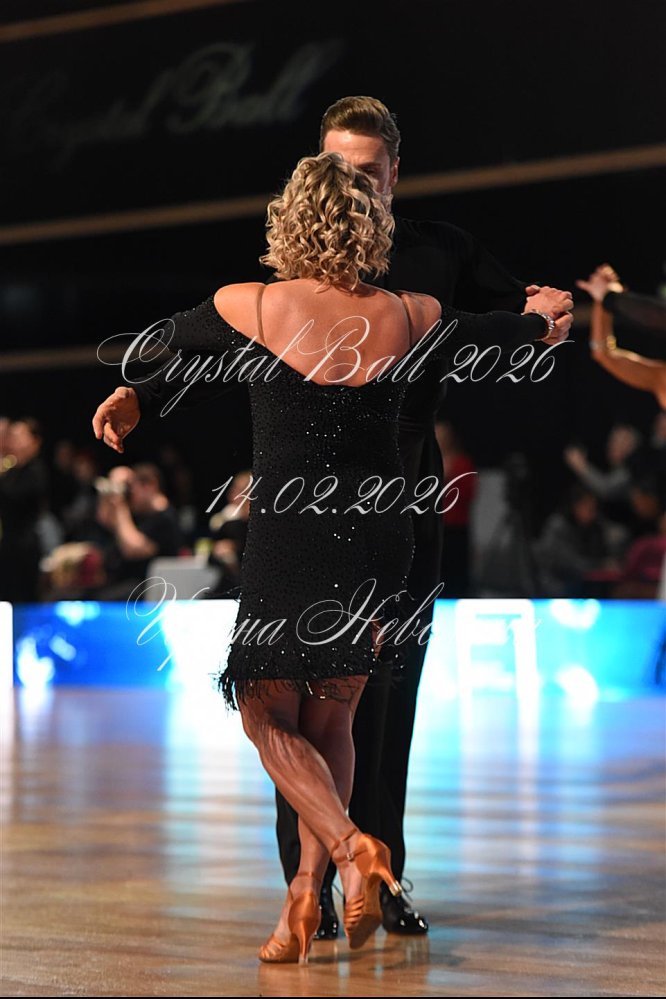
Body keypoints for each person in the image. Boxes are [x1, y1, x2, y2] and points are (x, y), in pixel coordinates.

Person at [91, 96, 574, 938]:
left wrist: (548, 309)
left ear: (394, 173)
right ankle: (309, 889)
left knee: (327, 705)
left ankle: (366, 868)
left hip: (379, 508)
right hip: (375, 522)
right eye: (339, 170)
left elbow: (193, 334)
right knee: (333, 709)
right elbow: (501, 327)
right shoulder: (403, 306)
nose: (353, 184)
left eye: (367, 171)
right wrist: (538, 326)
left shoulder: (425, 256)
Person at [0, 417, 50, 603]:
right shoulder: (10, 469)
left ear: (35, 441)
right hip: (7, 544)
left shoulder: (36, 470)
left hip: (26, 546)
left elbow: (16, 497)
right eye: (13, 436)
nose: (15, 440)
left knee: (24, 597)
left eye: (20, 436)